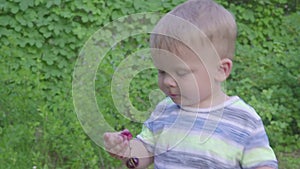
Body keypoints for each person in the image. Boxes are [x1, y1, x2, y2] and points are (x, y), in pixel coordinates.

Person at [104, 0, 278, 168]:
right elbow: (142, 156)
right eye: (162, 71)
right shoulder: (164, 111)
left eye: (181, 72)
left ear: (221, 70)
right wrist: (125, 150)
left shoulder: (243, 120)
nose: (167, 82)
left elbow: (262, 164)